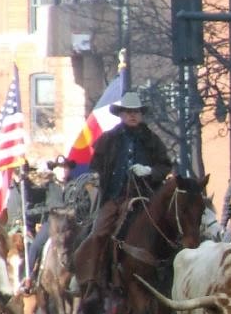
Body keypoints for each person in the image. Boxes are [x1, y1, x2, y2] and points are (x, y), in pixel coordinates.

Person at [73, 91, 175, 299]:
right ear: (121, 114)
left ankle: (170, 277)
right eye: (128, 112)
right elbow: (96, 167)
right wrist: (97, 181)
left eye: (136, 111)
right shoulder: (108, 140)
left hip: (145, 197)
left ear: (141, 114)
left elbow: (164, 166)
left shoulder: (152, 140)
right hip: (114, 197)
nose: (132, 115)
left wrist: (149, 171)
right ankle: (91, 280)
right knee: (98, 232)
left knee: (170, 231)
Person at [23, 155, 76, 291]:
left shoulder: (74, 185)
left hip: (70, 224)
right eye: (60, 168)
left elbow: (82, 203)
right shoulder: (48, 186)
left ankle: (83, 279)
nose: (63, 171)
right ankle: (29, 277)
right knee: (35, 246)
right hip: (52, 222)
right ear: (55, 170)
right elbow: (32, 196)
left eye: (66, 168)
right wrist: (26, 183)